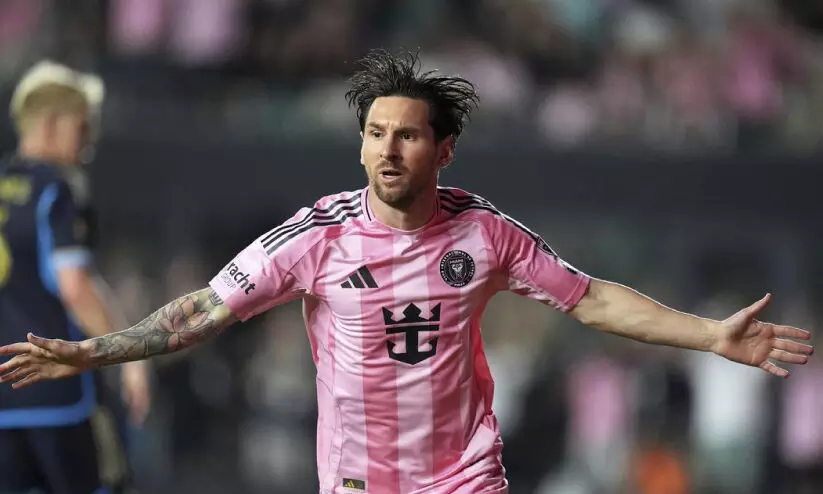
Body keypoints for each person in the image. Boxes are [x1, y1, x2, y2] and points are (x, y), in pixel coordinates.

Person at [0, 50, 813, 494]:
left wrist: (710, 335)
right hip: (359, 482)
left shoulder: (485, 234)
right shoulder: (317, 238)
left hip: (464, 477)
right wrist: (94, 351)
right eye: (375, 133)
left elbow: (591, 300)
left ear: (442, 149)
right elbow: (201, 311)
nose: (388, 150)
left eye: (408, 135)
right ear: (360, 145)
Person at [0, 60, 151, 494]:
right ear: (52, 122)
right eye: (83, 127)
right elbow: (75, 287)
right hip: (60, 397)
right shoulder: (57, 190)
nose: (89, 143)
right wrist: (128, 355)